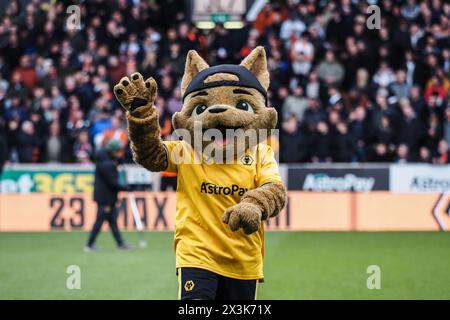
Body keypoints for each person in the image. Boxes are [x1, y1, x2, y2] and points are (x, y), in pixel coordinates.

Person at [85, 139, 133, 252]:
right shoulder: (107, 165)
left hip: (107, 197)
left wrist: (118, 161)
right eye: (118, 151)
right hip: (105, 198)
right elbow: (113, 183)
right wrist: (126, 188)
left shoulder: (105, 160)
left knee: (112, 221)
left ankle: (120, 244)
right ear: (112, 151)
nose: (120, 153)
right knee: (100, 220)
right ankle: (89, 244)